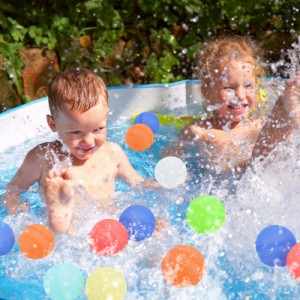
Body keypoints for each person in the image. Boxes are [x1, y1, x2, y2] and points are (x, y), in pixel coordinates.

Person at [3, 68, 156, 234]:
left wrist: (162, 188)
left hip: (107, 228)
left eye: (98, 129)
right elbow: (12, 191)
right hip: (71, 235)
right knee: (65, 232)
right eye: (76, 132)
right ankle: (60, 217)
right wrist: (19, 214)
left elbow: (139, 184)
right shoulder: (43, 157)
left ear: (106, 116)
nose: (88, 141)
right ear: (53, 124)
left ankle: (61, 220)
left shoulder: (113, 153)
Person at [162, 36, 271, 175]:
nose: (241, 96)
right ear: (207, 91)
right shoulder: (199, 131)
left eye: (248, 85)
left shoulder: (259, 126)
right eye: (229, 88)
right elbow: (170, 154)